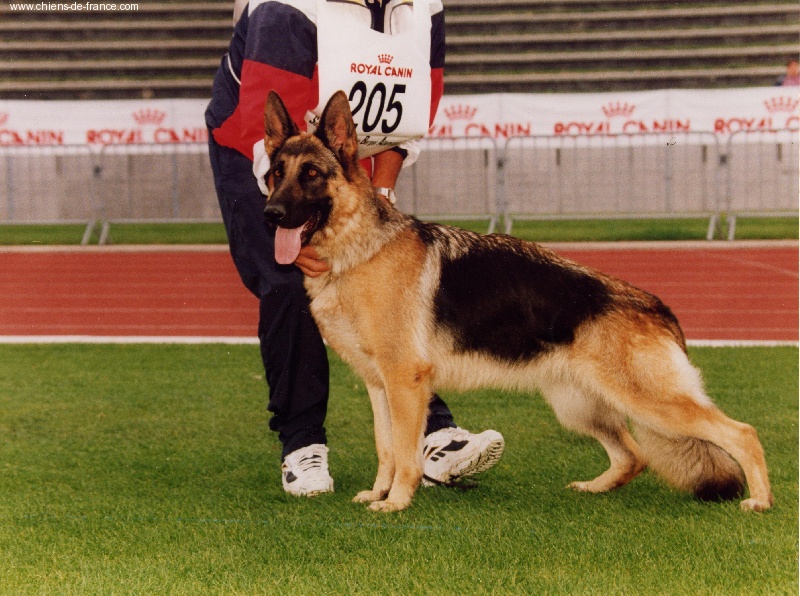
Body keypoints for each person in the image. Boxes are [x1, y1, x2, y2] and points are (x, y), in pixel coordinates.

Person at [205, 0, 504, 497]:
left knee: (390, 285)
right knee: (288, 280)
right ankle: (302, 444)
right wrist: (292, 225)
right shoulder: (284, 10)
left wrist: (382, 196)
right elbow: (268, 133)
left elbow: (404, 116)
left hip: (344, 145)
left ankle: (431, 436)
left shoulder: (425, 8)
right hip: (256, 145)